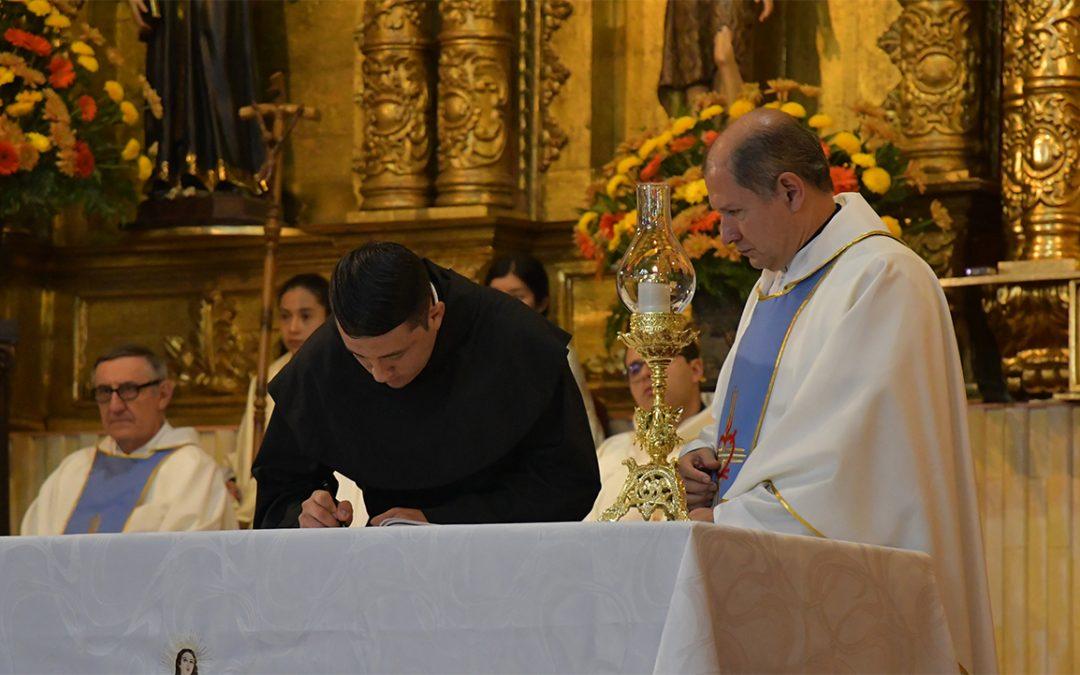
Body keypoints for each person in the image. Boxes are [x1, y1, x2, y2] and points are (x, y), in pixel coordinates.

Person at [676, 108, 995, 673]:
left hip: (857, 604)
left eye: (734, 212)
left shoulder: (883, 279)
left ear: (790, 191)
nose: (725, 234)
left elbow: (851, 465)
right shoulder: (772, 285)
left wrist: (730, 523)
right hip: (763, 578)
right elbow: (743, 423)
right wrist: (702, 462)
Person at [252, 242, 599, 527]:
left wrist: (442, 521)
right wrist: (306, 514)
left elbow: (569, 484)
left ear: (435, 316)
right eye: (360, 359)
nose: (377, 374)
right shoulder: (326, 355)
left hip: (510, 565)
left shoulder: (515, 338)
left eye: (393, 357)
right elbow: (278, 492)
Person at [21, 345, 236, 535]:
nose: (115, 406)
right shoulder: (74, 470)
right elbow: (34, 556)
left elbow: (188, 564)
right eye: (105, 392)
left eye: (128, 390)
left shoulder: (191, 471)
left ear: (163, 394)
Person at [229, 274, 368, 528]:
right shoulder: (268, 376)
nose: (293, 327)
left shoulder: (345, 369)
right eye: (285, 316)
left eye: (305, 316)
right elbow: (252, 446)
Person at [484, 253, 606, 448]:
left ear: (542, 303)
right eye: (496, 295)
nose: (504, 305)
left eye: (517, 297)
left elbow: (584, 421)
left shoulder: (556, 349)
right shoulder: (475, 349)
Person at [586, 341, 713, 521]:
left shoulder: (723, 445)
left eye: (659, 359)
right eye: (635, 368)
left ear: (695, 370)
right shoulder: (610, 452)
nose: (646, 373)